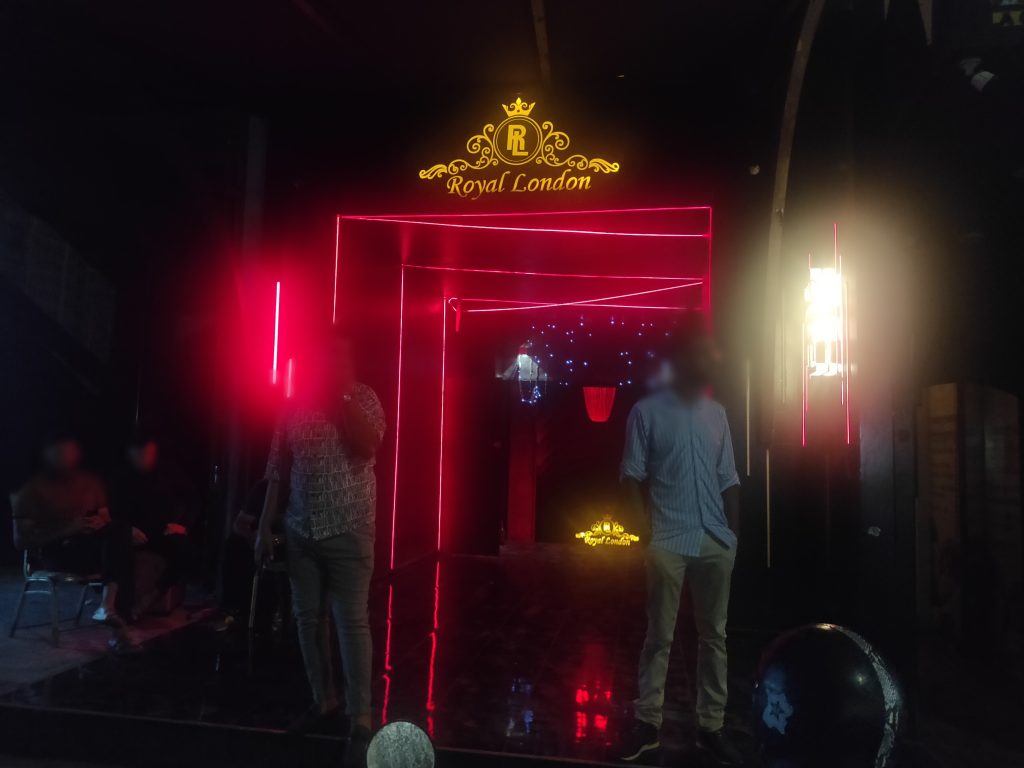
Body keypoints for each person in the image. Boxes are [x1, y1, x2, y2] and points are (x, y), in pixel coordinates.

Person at [616, 321, 743, 766]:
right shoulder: (646, 412)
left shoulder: (717, 413)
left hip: (714, 537)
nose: (706, 361)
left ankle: (711, 726)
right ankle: (648, 723)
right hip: (668, 537)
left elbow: (729, 477)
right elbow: (630, 475)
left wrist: (733, 535)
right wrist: (645, 535)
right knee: (660, 636)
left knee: (715, 636)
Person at [256, 327, 385, 748]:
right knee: (307, 618)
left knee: (351, 622)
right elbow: (278, 470)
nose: (334, 364)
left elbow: (368, 445)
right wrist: (264, 526)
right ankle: (323, 699)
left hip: (350, 530)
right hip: (300, 531)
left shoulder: (364, 397)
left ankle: (360, 716)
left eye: (341, 357)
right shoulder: (295, 403)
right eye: (328, 357)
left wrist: (343, 396)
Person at [11, 432, 138, 651]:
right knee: (119, 555)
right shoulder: (33, 489)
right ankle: (118, 630)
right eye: (60, 454)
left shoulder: (90, 483)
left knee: (121, 534)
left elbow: (106, 519)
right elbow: (21, 541)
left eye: (70, 453)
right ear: (48, 455)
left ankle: (107, 607)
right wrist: (69, 528)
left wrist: (98, 523)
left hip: (87, 546)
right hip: (55, 553)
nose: (66, 459)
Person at [111, 429, 198, 613]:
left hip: (160, 531)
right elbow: (111, 513)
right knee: (117, 547)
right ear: (131, 453)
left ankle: (151, 597)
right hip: (130, 533)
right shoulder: (120, 477)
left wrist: (182, 526)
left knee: (186, 550)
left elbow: (191, 499)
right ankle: (120, 605)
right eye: (141, 453)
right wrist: (127, 529)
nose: (146, 457)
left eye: (149, 453)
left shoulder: (166, 473)